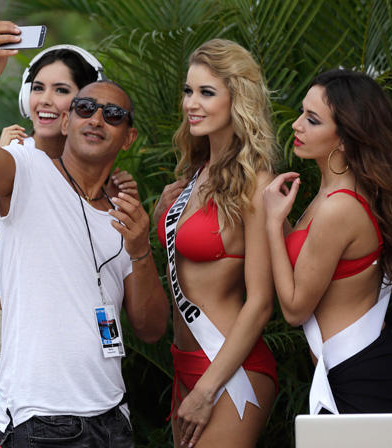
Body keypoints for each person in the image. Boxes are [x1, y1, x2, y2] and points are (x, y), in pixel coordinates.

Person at [0, 21, 170, 448]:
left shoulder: (125, 213)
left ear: (129, 137)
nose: (96, 119)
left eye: (113, 115)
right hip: (38, 419)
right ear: (66, 122)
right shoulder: (26, 169)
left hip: (112, 419)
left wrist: (141, 250)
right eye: (84, 108)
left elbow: (152, 328)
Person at [262, 69, 392, 415]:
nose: (296, 125)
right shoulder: (335, 194)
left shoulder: (339, 207)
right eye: (302, 113)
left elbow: (294, 309)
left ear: (346, 139)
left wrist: (274, 224)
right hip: (349, 371)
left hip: (365, 377)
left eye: (312, 120)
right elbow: (305, 264)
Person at [154, 39, 278, 448]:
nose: (191, 103)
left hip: (229, 369)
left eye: (206, 92)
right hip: (185, 364)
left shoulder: (256, 183)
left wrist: (208, 388)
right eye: (188, 91)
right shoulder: (193, 175)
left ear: (237, 100)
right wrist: (159, 216)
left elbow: (261, 302)